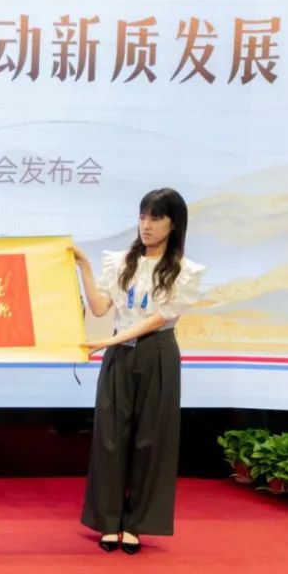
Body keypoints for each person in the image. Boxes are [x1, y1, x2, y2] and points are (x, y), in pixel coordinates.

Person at [72, 187, 206, 554]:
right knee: (110, 436)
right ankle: (108, 521)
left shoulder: (185, 272)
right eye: (143, 216)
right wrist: (84, 267)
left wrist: (110, 341)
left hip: (157, 353)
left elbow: (156, 320)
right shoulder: (120, 262)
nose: (146, 225)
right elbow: (100, 308)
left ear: (173, 224)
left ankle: (136, 524)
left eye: (156, 218)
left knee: (151, 439)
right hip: (119, 354)